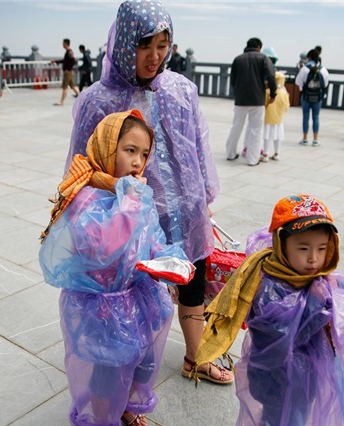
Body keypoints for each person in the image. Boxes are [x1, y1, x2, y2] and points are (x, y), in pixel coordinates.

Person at [64, 0, 228, 390]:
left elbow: (199, 147)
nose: (155, 56)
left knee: (192, 277)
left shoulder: (181, 89)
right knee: (135, 295)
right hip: (131, 216)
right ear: (123, 43)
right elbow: (82, 164)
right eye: (144, 45)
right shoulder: (98, 100)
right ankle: (126, 379)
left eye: (163, 45)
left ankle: (195, 355)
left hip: (185, 207)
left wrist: (204, 195)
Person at [40, 109, 193, 426]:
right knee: (108, 372)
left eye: (144, 154)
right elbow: (106, 248)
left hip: (138, 297)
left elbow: (152, 236)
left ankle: (126, 406)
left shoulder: (134, 192)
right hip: (104, 307)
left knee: (142, 362)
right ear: (109, 148)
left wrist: (169, 258)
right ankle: (102, 416)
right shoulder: (86, 198)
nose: (138, 162)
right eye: (130, 151)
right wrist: (130, 202)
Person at [193, 194, 344, 426]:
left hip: (304, 379)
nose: (313, 259)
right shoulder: (270, 285)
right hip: (278, 381)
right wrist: (319, 303)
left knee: (295, 416)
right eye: (303, 248)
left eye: (321, 249)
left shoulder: (308, 278)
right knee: (285, 420)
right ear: (281, 244)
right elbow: (281, 336)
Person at [225, 37, 276, 166]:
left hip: (241, 99)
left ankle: (230, 154)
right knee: (256, 129)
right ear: (258, 47)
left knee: (236, 126)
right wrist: (273, 93)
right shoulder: (263, 58)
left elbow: (233, 80)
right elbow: (271, 75)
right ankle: (252, 159)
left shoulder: (238, 59)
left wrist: (236, 94)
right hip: (257, 99)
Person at [295, 48, 329, 147]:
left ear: (309, 57)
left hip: (306, 96)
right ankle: (315, 139)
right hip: (318, 97)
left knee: (305, 117)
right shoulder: (323, 69)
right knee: (316, 117)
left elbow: (298, 82)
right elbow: (325, 84)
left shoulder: (305, 69)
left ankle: (305, 139)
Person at [261, 71, 289, 162]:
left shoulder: (268, 91)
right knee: (278, 136)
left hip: (268, 118)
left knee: (267, 136)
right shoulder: (284, 93)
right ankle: (277, 153)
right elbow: (286, 107)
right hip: (279, 119)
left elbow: (264, 104)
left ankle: (265, 154)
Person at [51, 38, 80, 106]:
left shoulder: (69, 51)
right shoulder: (68, 51)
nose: (62, 45)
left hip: (68, 73)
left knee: (65, 87)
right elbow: (65, 61)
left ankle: (61, 102)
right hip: (70, 72)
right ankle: (82, 99)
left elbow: (73, 61)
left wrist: (68, 69)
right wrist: (55, 61)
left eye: (63, 43)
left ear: (66, 44)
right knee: (73, 86)